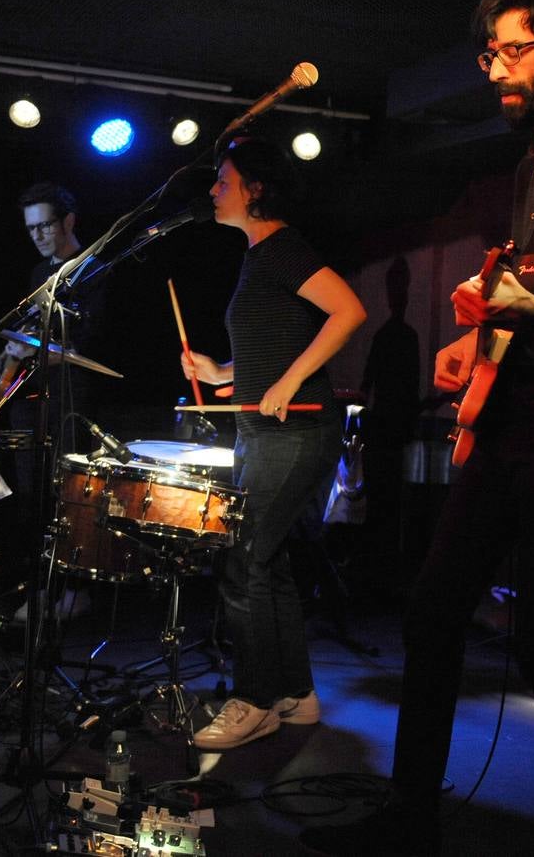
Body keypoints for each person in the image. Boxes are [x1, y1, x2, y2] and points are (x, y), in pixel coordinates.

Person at [302, 0, 534, 857]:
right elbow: (520, 299)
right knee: (431, 610)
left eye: (512, 49)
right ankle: (412, 816)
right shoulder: (530, 165)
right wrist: (481, 347)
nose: (495, 67)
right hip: (511, 418)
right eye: (488, 53)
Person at [180, 137, 366, 749]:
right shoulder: (257, 255)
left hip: (296, 432)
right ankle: (295, 693)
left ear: (255, 188)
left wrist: (287, 382)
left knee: (244, 563)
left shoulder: (282, 247)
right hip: (267, 430)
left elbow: (347, 311)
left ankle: (254, 699)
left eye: (223, 180)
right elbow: (275, 344)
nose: (213, 190)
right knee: (271, 564)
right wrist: (221, 373)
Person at [0, 182, 109, 617]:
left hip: (71, 399)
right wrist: (3, 359)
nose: (36, 235)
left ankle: (75, 591)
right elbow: (30, 331)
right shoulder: (39, 275)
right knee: (32, 496)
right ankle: (41, 587)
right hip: (31, 399)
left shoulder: (93, 270)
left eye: (45, 226)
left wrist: (36, 352)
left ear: (69, 221)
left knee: (69, 496)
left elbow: (89, 344)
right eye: (30, 228)